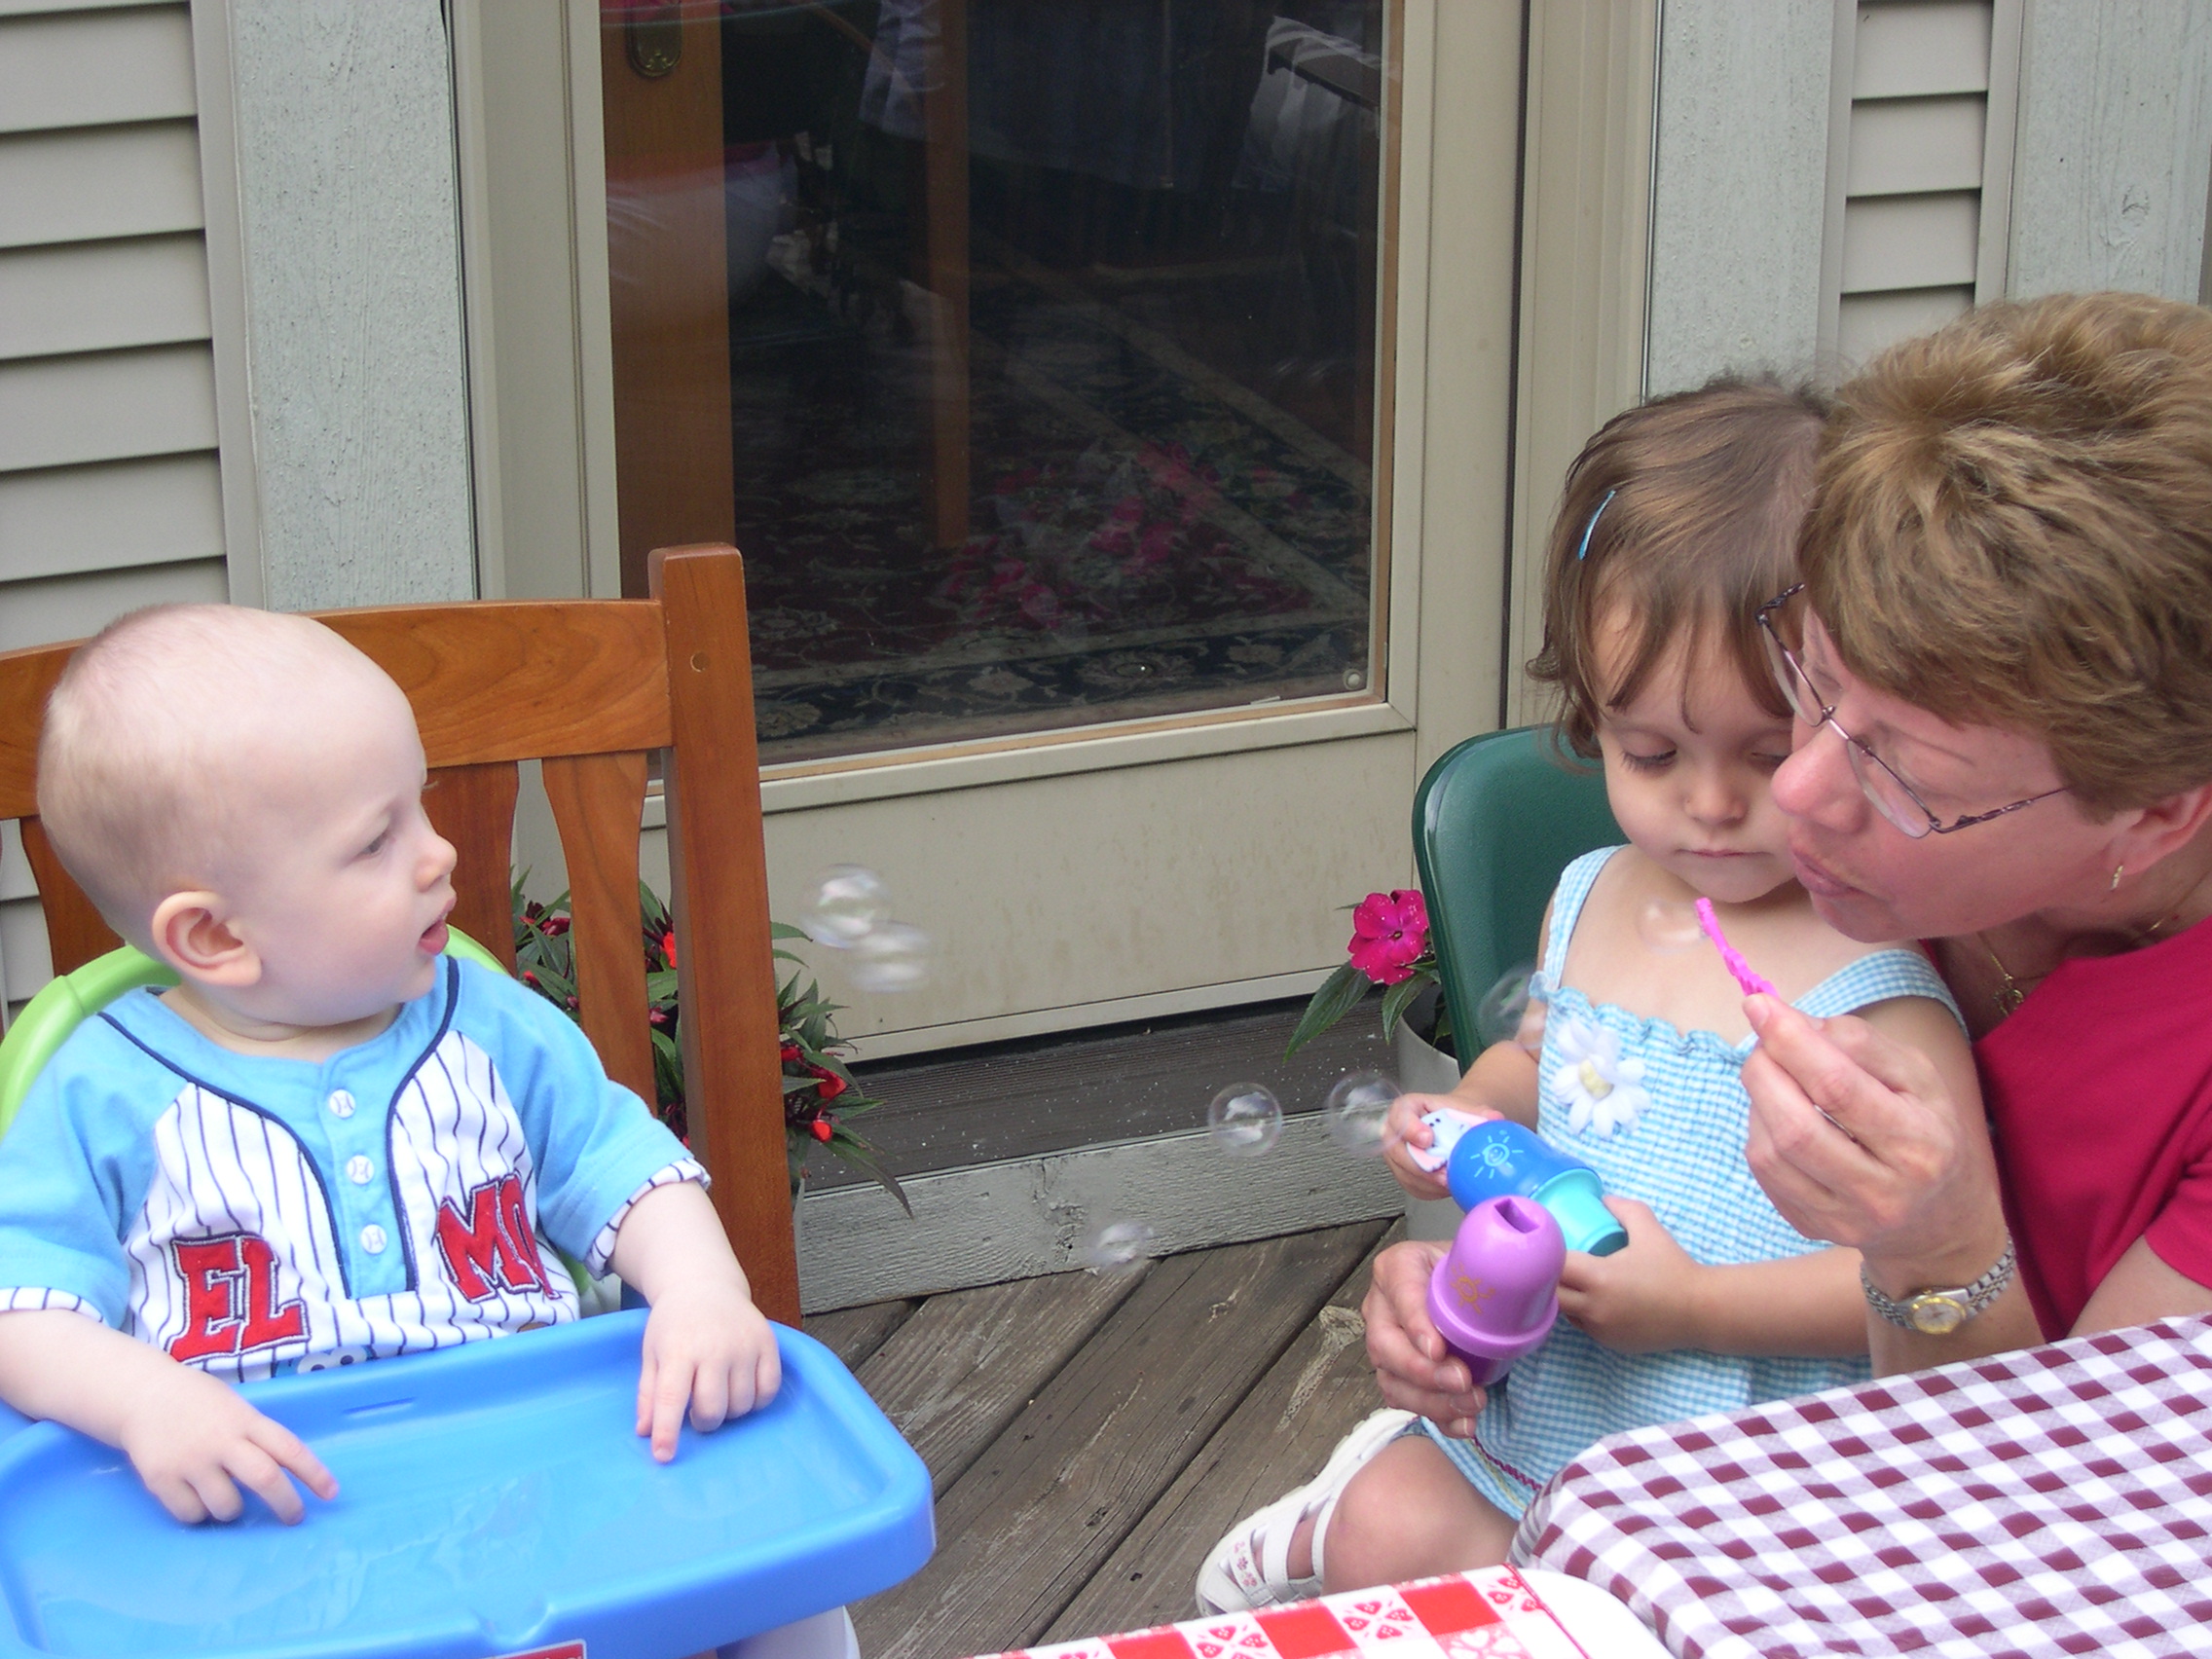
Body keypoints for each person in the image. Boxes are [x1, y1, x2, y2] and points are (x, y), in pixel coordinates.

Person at [1362, 290, 2212, 1525]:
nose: (1793, 795)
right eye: (1812, 682)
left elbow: (2076, 1515)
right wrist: (1471, 1272)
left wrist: (1937, 1259)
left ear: (2151, 816)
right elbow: (1579, 1085)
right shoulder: (1756, 876)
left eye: (1900, 770)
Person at [1197, 380, 1978, 1610]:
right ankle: (1346, 1505)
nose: (1709, 806)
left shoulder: (1877, 981)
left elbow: (1921, 1270)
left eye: (1768, 755)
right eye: (1652, 753)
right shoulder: (1596, 892)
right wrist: (1467, 1123)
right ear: (1588, 716)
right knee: (1381, 1547)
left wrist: (1696, 1308)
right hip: (1549, 1399)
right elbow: (1541, 1061)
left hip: (1738, 1472)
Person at [0, 604, 781, 1524]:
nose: (438, 851)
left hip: (546, 1476)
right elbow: (23, 1312)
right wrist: (145, 1403)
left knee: (787, 1549)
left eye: (422, 804)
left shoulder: (490, 1028)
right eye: (378, 840)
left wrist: (700, 1290)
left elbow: (629, 1172)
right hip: (263, 1512)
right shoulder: (100, 1093)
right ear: (213, 935)